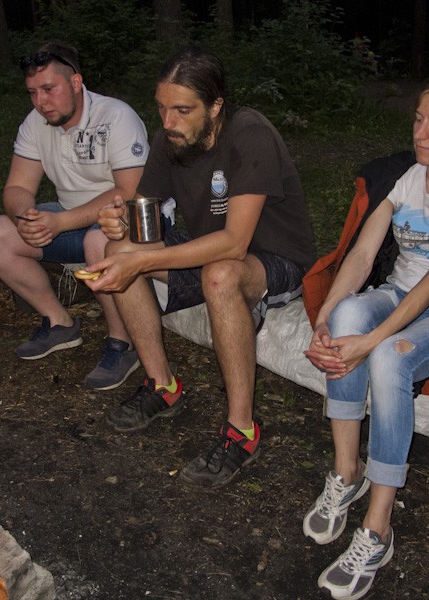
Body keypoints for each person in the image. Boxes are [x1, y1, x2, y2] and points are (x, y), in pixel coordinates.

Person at [301, 71, 429, 599]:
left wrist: (370, 343)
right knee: (346, 316)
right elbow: (363, 256)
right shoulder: (410, 178)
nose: (422, 132)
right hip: (400, 296)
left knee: (388, 356)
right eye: (419, 119)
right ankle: (347, 473)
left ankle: (378, 526)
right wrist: (325, 319)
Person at [82, 47, 316, 487]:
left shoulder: (250, 135)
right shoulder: (170, 139)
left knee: (220, 274)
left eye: (182, 110)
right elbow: (142, 221)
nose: (168, 121)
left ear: (215, 106)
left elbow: (235, 241)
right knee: (119, 251)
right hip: (210, 247)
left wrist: (146, 259)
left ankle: (242, 430)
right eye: (162, 108)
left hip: (276, 259)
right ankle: (162, 385)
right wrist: (119, 223)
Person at [0, 41, 149, 391]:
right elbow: (16, 188)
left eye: (48, 90)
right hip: (69, 219)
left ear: (75, 82)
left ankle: (123, 343)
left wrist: (59, 222)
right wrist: (24, 216)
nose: (41, 102)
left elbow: (129, 190)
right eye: (32, 93)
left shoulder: (116, 116)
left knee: (97, 240)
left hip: (128, 220)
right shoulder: (35, 123)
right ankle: (58, 322)